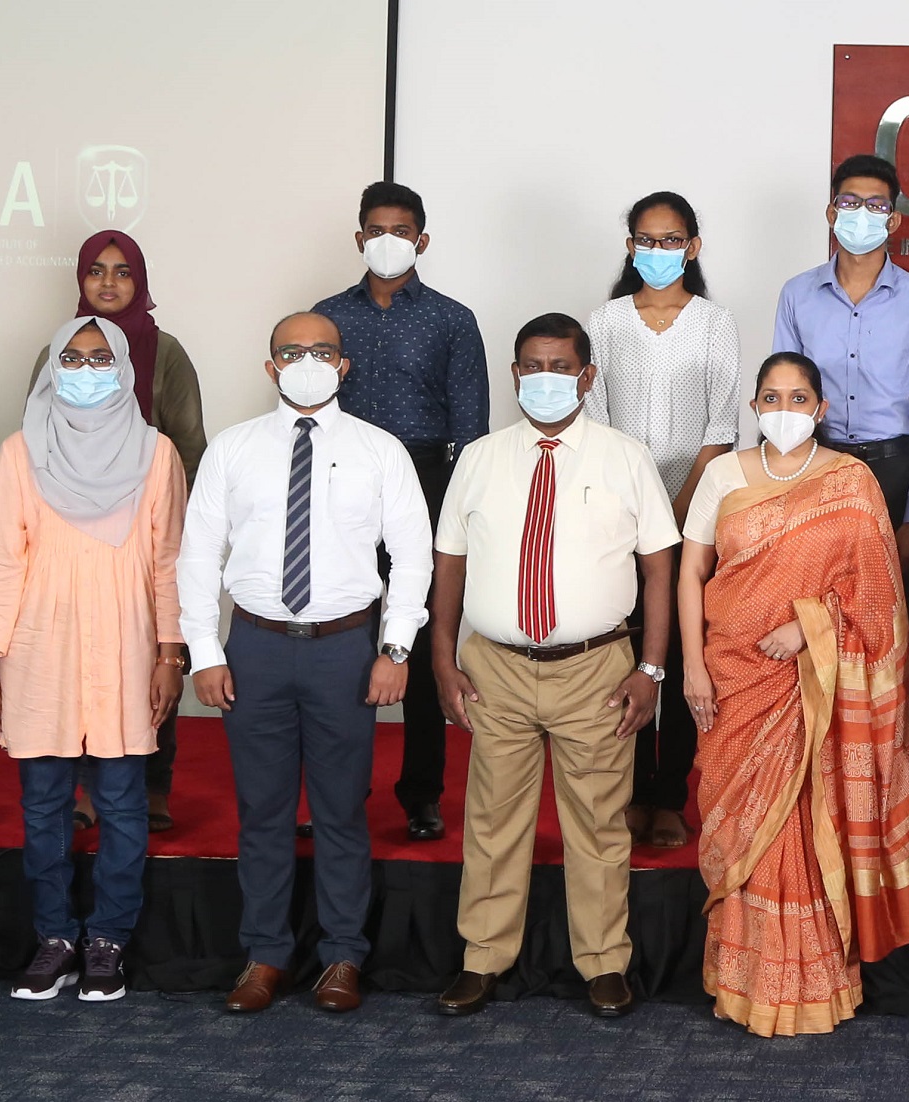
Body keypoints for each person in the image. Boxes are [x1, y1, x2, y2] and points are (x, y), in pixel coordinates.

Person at [181, 313, 432, 1014]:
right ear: (271, 368)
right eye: (292, 351)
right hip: (254, 646)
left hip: (347, 650)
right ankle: (265, 955)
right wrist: (205, 650)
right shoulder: (232, 451)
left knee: (342, 810)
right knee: (261, 811)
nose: (308, 361)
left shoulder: (381, 451)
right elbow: (199, 554)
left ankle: (342, 956)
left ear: (344, 366)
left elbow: (412, 556)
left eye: (322, 351)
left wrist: (395, 648)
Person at [428, 314, 675, 1019]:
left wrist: (651, 670)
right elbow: (451, 562)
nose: (545, 379)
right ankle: (483, 958)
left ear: (587, 377)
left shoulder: (625, 457)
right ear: (513, 376)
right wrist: (442, 659)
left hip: (595, 668)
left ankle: (602, 963)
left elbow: (659, 569)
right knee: (493, 818)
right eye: (531, 367)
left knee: (598, 823)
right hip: (496, 667)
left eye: (561, 367)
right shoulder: (479, 456)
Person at [678, 352, 909, 1036]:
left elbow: (879, 602)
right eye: (771, 397)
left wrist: (807, 628)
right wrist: (693, 668)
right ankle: (745, 979)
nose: (783, 410)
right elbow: (690, 572)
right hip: (734, 674)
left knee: (806, 821)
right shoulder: (723, 476)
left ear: (820, 409)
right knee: (743, 824)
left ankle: (816, 979)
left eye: (798, 398)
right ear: (754, 407)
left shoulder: (852, 483)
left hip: (813, 685)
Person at [0, 317, 187, 1002]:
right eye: (71, 357)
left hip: (126, 647)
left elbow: (168, 564)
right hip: (41, 650)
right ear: (51, 367)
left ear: (124, 368)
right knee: (42, 805)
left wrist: (170, 653)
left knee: (123, 803)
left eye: (101, 358)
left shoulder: (157, 455)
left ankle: (108, 941)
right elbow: (2, 561)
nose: (86, 369)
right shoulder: (18, 452)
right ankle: (55, 937)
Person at [315, 181, 488, 845]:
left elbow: (471, 428)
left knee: (415, 640)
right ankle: (340, 794)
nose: (387, 241)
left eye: (401, 230)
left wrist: (462, 516)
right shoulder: (327, 317)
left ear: (421, 239)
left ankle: (422, 796)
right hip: (343, 486)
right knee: (344, 644)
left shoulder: (451, 320)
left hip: (426, 481)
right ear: (360, 238)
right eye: (375, 230)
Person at [587, 190, 738, 852]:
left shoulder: (714, 322)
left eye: (670, 239)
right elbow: (591, 417)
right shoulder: (604, 321)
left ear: (693, 247)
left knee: (678, 654)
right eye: (645, 241)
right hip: (615, 513)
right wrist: (631, 509)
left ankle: (668, 794)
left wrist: (676, 511)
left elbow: (723, 423)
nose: (657, 252)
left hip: (691, 510)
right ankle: (624, 793)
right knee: (620, 650)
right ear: (629, 248)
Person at [48, 230, 208, 826]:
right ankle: (86, 790)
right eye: (96, 270)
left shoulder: (164, 351)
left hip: (147, 532)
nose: (108, 282)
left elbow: (189, 447)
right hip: (73, 534)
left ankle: (155, 787)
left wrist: (175, 529)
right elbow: (41, 440)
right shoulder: (57, 350)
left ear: (139, 281)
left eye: (122, 272)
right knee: (80, 659)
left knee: (153, 657)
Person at [773, 153, 909, 564]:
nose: (862, 214)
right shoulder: (797, 294)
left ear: (894, 220)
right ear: (832, 212)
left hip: (891, 471)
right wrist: (779, 488)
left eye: (876, 205)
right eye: (850, 203)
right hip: (815, 463)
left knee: (887, 615)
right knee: (813, 611)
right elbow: (783, 398)